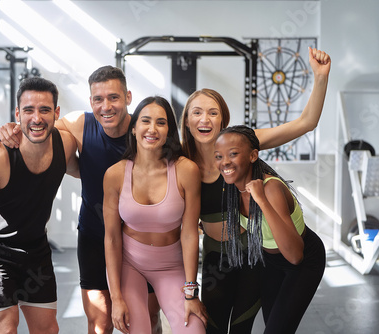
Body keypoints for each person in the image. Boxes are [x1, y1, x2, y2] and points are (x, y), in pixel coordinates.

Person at [0, 66, 162, 334]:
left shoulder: (146, 129)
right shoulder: (79, 124)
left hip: (141, 239)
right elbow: (37, 129)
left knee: (146, 320)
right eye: (98, 99)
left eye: (114, 97)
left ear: (128, 97)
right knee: (99, 323)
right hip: (95, 236)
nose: (106, 106)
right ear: (90, 101)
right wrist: (10, 128)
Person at [180, 47, 331, 333]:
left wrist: (320, 77)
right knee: (211, 326)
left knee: (242, 327)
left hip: (253, 251)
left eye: (213, 113)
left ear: (223, 119)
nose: (204, 119)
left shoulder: (244, 142)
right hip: (216, 255)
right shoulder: (181, 163)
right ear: (187, 121)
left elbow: (305, 123)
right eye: (196, 113)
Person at [0, 77, 78, 334]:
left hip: (36, 250)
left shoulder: (65, 144)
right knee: (7, 329)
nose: (36, 118)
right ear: (17, 114)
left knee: (47, 329)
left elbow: (91, 169)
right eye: (28, 110)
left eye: (45, 110)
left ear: (56, 113)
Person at [104, 96, 207, 333]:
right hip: (130, 264)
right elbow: (111, 238)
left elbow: (190, 233)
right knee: (138, 329)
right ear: (133, 127)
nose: (152, 129)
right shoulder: (115, 174)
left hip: (171, 264)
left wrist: (191, 292)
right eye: (145, 121)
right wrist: (116, 297)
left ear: (169, 129)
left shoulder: (185, 170)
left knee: (194, 329)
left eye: (161, 122)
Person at [214, 125, 326, 334]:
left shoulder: (270, 189)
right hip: (271, 262)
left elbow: (294, 256)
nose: (225, 162)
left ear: (253, 155)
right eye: (218, 156)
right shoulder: (232, 189)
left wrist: (262, 201)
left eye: (233, 154)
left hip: (304, 261)